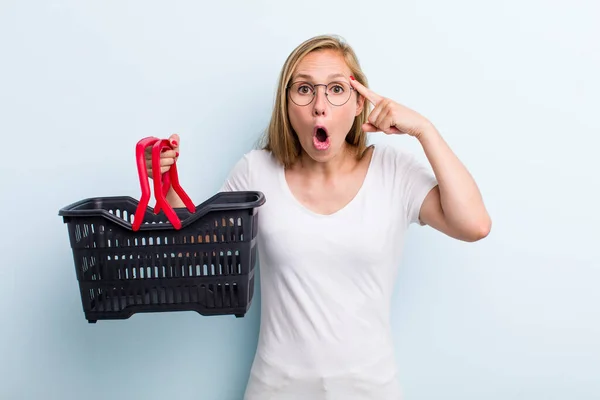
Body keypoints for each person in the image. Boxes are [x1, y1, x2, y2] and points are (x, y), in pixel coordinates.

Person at [147, 34, 491, 400]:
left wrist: (424, 130)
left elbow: (474, 224)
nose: (319, 106)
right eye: (304, 89)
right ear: (287, 103)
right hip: (274, 390)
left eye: (337, 89)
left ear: (360, 103)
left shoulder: (393, 171)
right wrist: (166, 184)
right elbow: (196, 255)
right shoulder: (256, 171)